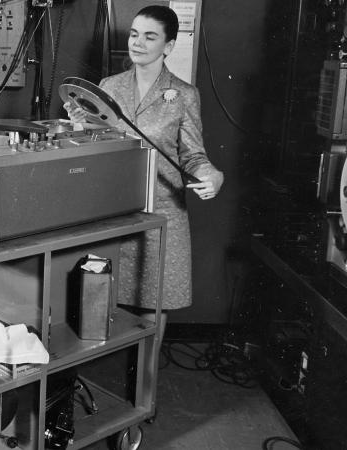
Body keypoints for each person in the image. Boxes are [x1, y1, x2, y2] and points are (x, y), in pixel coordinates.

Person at [64, 5, 224, 342]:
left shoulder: (183, 95)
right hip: (115, 209)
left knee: (156, 304)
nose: (137, 42)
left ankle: (146, 384)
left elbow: (193, 156)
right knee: (98, 291)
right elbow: (99, 143)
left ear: (168, 46)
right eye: (134, 34)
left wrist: (212, 174)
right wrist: (78, 125)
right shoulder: (109, 86)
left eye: (150, 36)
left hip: (162, 212)